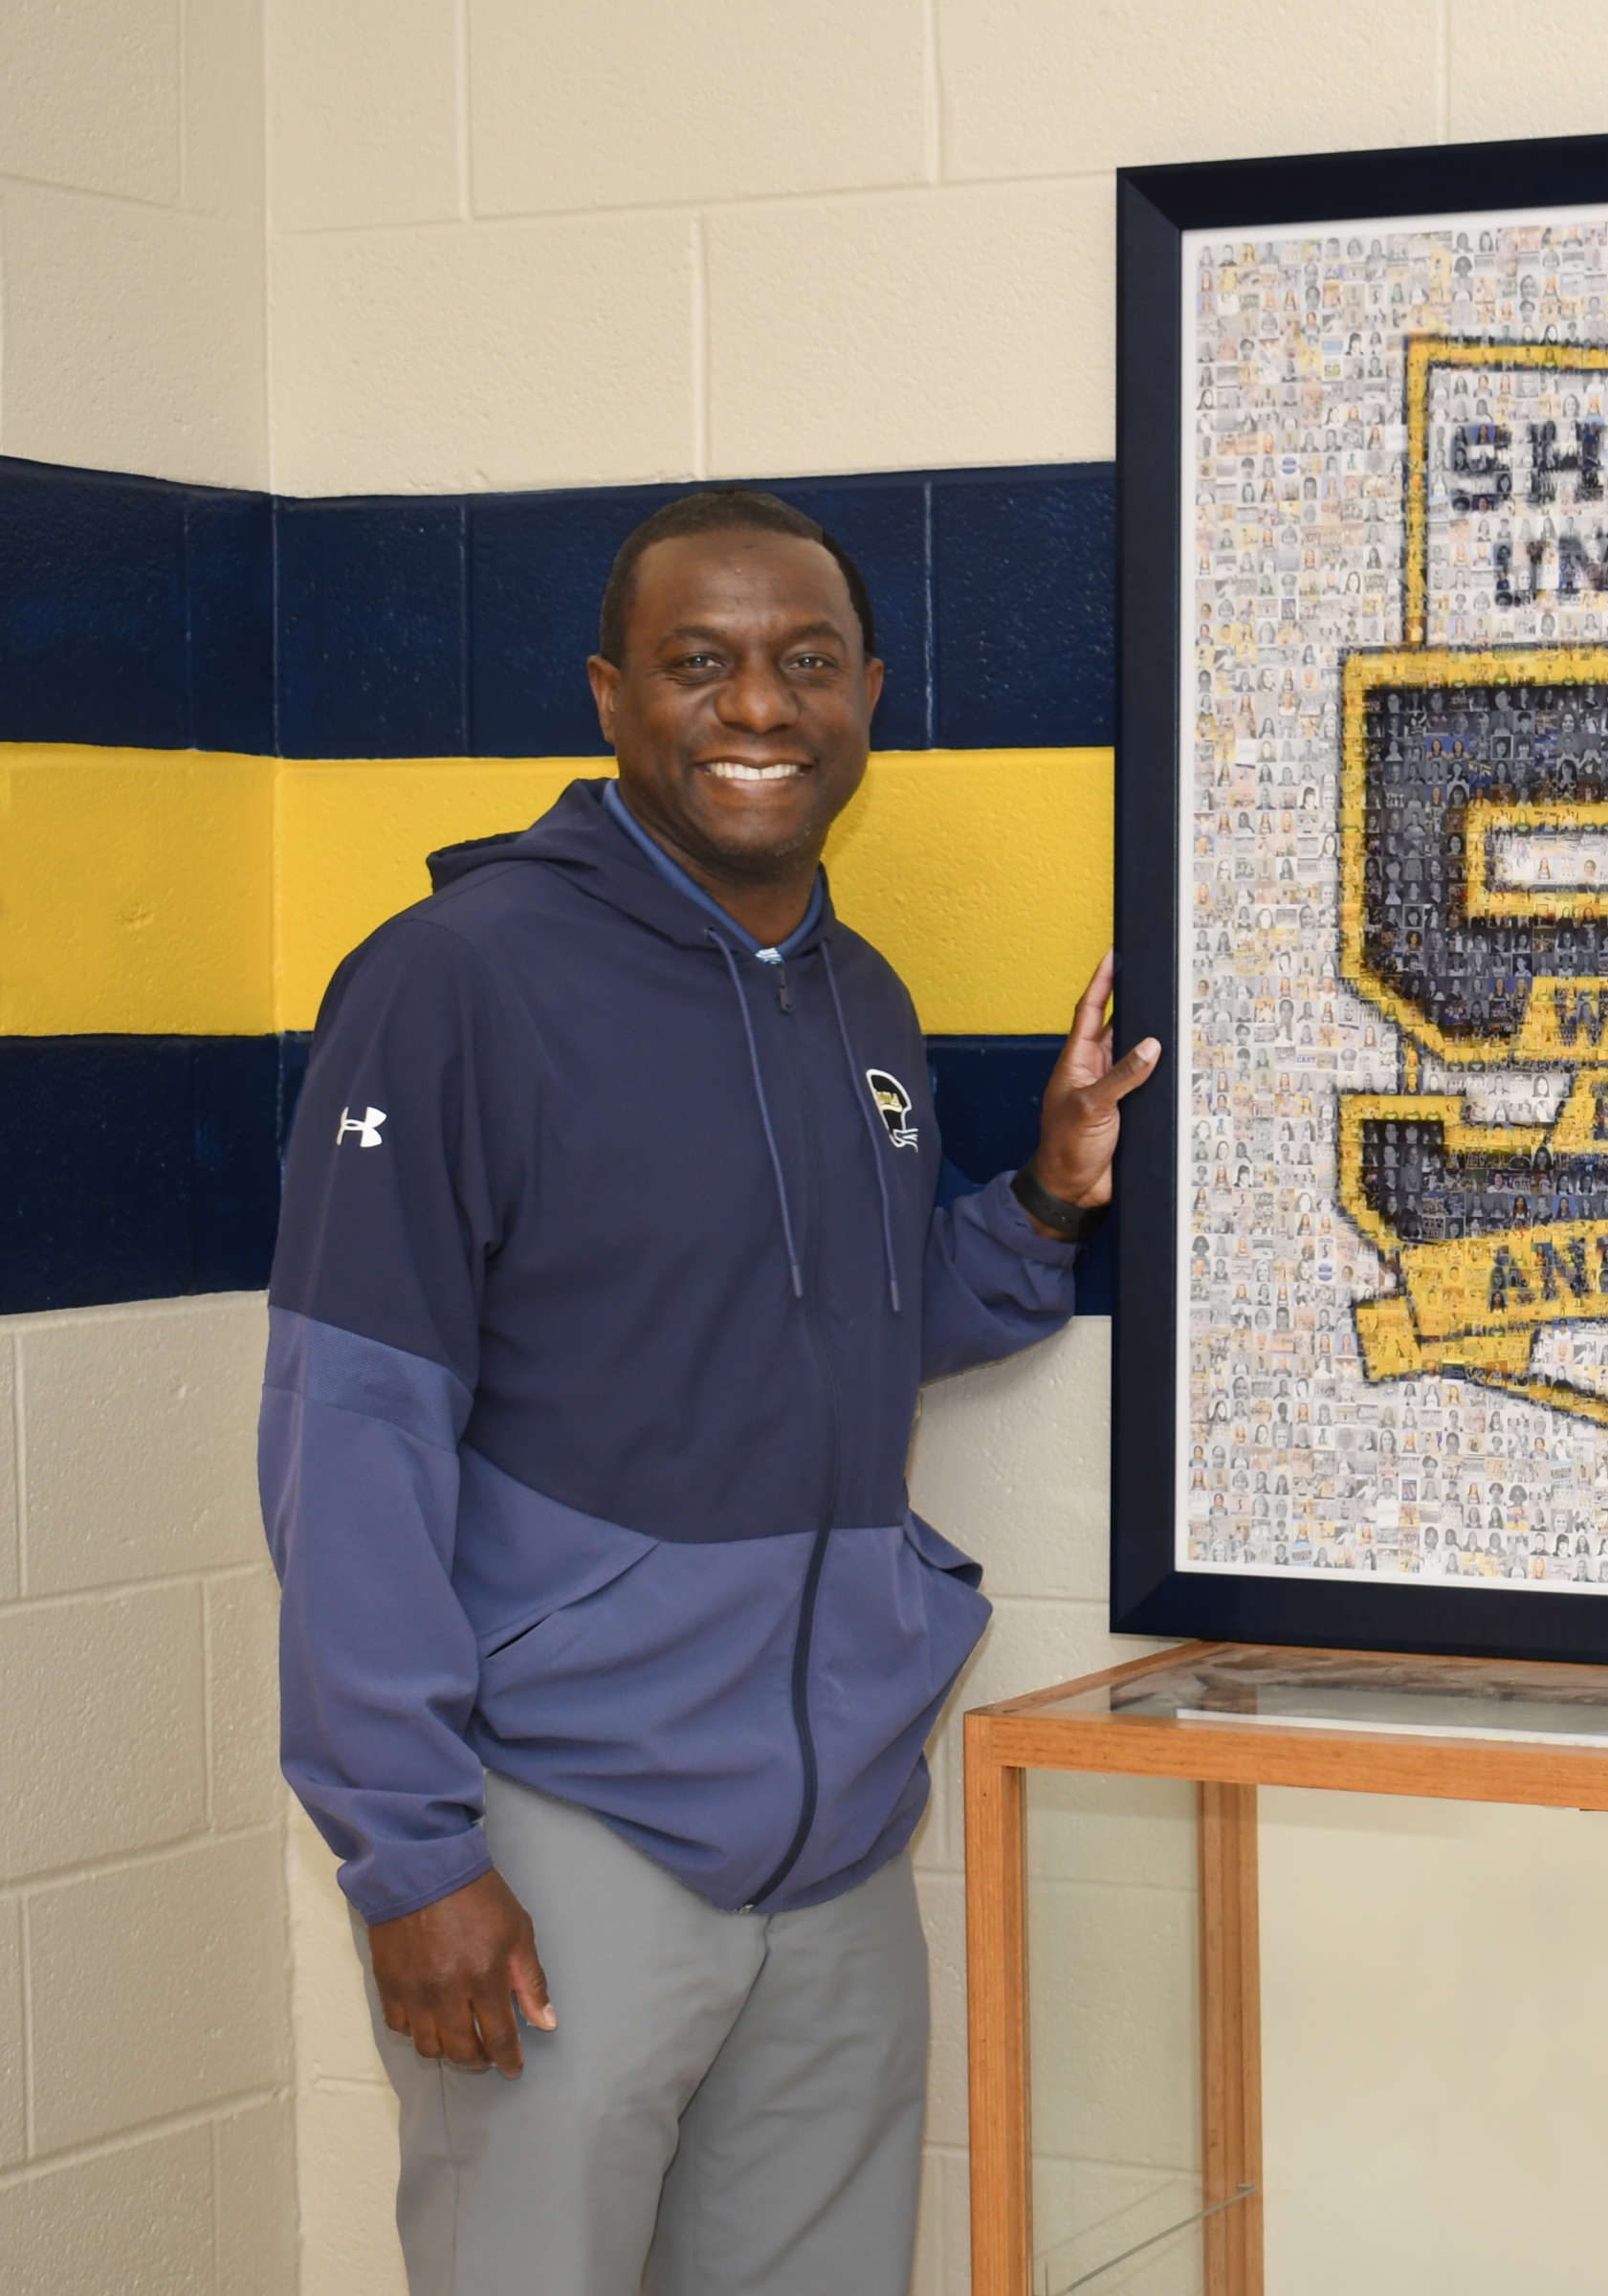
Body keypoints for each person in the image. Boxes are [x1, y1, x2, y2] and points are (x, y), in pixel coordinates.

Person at [261, 489, 1159, 2296]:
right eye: (701, 663)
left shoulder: (858, 998)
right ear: (612, 697)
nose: (758, 705)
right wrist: (408, 1854)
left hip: (831, 1849)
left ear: (869, 700)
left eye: (804, 662)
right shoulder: (455, 984)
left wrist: (1048, 1200)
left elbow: (843, 1322)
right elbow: (346, 1439)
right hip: (558, 1834)